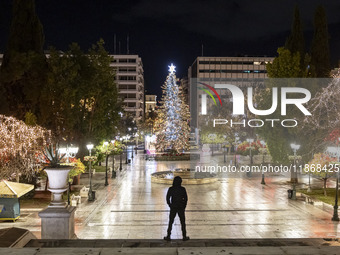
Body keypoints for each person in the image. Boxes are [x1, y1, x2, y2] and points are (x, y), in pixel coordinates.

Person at [164, 176, 189, 241]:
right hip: (180, 207)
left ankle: (168, 235)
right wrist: (184, 205)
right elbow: (186, 198)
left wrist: (170, 205)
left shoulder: (171, 189)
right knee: (183, 222)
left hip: (173, 207)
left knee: (171, 222)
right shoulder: (182, 189)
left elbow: (167, 198)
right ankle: (184, 236)